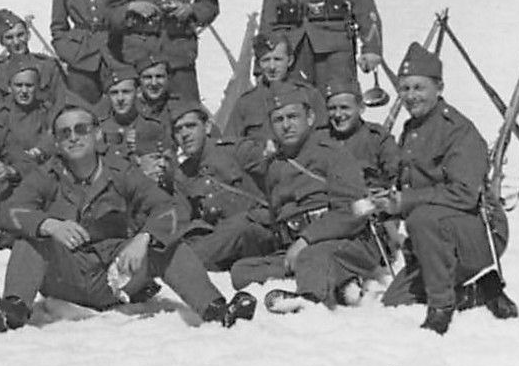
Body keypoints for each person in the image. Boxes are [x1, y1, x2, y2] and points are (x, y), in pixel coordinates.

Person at [0, 104, 248, 332]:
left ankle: (216, 310)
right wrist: (47, 225)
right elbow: (9, 211)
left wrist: (144, 237)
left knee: (168, 245)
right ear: (57, 142)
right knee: (30, 240)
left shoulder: (121, 172)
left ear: (97, 133)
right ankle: (13, 311)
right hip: (66, 276)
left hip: (115, 275)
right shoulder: (47, 175)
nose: (73, 137)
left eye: (81, 129)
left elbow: (169, 208)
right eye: (65, 133)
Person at [368, 43, 517, 334]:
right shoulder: (411, 130)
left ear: (439, 87)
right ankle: (479, 291)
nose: (411, 96)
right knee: (395, 300)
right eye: (405, 88)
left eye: (419, 88)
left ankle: (441, 308)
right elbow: (409, 185)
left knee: (422, 217)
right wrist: (388, 202)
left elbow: (464, 193)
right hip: (436, 237)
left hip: (478, 231)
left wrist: (407, 201)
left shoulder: (458, 130)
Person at [227, 90, 383, 311]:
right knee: (242, 270)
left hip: (348, 241)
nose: (286, 125)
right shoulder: (275, 166)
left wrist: (306, 240)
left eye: (293, 117)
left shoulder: (332, 154)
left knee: (314, 255)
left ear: (309, 118)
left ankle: (310, 301)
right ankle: (340, 281)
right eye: (278, 120)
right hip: (298, 246)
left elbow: (353, 211)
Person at [166, 98, 276, 296]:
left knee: (240, 225)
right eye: (178, 130)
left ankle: (177, 266)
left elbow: (278, 175)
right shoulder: (182, 175)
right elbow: (182, 223)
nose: (184, 134)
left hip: (261, 232)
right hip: (225, 244)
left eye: (191, 126)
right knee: (188, 244)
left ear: (207, 126)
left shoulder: (237, 150)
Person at [226, 29, 326, 176]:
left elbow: (323, 139)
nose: (272, 67)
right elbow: (231, 145)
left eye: (278, 59)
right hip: (261, 176)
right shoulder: (246, 103)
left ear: (290, 60)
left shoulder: (309, 95)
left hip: (303, 174)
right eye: (266, 60)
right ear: (259, 64)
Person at [320, 77, 400, 192]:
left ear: (361, 108)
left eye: (344, 108)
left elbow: (395, 174)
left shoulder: (377, 138)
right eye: (332, 109)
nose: (338, 114)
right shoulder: (320, 139)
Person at [0, 9, 65, 107]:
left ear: (28, 35)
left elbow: (60, 101)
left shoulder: (48, 66)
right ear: (2, 42)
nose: (16, 42)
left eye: (20, 35)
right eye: (9, 38)